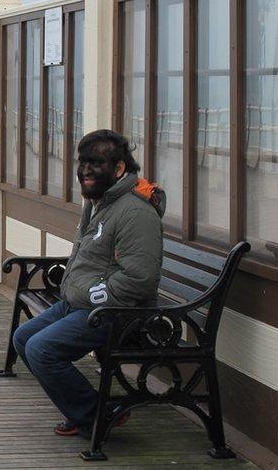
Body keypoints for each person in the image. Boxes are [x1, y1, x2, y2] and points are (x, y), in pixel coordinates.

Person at [12, 129, 165, 438]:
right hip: (78, 302)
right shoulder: (99, 202)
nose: (85, 171)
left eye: (95, 163)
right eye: (82, 162)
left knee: (42, 350)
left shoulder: (134, 212)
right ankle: (89, 409)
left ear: (119, 168)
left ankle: (95, 417)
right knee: (23, 338)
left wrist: (98, 294)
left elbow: (141, 278)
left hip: (115, 312)